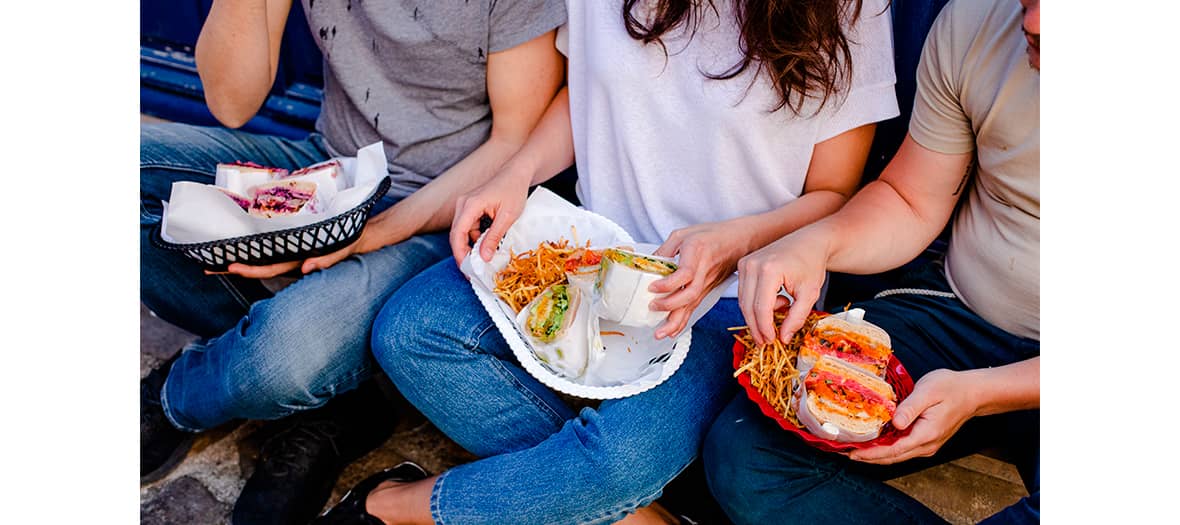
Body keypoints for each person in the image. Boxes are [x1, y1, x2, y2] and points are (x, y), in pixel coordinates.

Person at [312, 0, 901, 523]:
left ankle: (392, 506)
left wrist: (733, 244)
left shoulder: (852, 9)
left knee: (620, 457)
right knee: (410, 333)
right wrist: (515, 175)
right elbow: (582, 94)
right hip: (588, 257)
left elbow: (834, 195)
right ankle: (621, 509)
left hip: (736, 300)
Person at [139, 1, 566, 523]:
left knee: (283, 357)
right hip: (327, 168)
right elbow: (230, 102)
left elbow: (514, 141)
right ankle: (339, 390)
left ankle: (184, 394)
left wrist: (370, 234)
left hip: (448, 209)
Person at [702, 0, 1040, 523]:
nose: (1033, 22)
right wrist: (817, 243)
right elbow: (912, 199)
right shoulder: (978, 19)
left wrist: (982, 395)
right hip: (963, 314)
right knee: (748, 456)